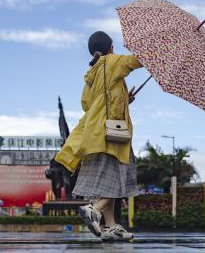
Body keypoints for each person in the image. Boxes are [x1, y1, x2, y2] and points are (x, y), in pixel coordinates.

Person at [55, 31, 143, 241]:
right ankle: (94, 209)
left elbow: (88, 104)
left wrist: (122, 99)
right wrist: (159, 47)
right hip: (111, 134)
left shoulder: (92, 74)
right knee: (117, 179)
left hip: (94, 133)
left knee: (108, 179)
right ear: (111, 47)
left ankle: (110, 226)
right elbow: (135, 60)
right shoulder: (112, 62)